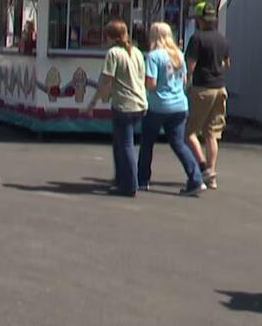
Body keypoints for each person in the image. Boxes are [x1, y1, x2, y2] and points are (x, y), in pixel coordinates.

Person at [138, 23, 205, 196]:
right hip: (179, 105)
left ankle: (142, 179)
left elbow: (151, 85)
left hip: (159, 105)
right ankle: (196, 177)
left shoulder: (153, 56)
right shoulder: (178, 56)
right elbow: (183, 81)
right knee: (178, 143)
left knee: (147, 143)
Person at [83, 20, 148, 196]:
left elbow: (105, 80)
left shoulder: (113, 53)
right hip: (140, 103)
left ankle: (131, 184)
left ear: (111, 37)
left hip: (123, 104)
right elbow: (141, 79)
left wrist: (94, 102)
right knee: (119, 143)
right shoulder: (137, 52)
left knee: (126, 144)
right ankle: (121, 179)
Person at [185, 3, 231, 190]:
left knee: (189, 133)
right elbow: (228, 64)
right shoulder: (222, 39)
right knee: (212, 133)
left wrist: (186, 82)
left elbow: (191, 66)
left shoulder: (197, 38)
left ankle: (204, 168)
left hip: (202, 88)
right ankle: (211, 176)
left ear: (200, 20)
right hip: (220, 88)